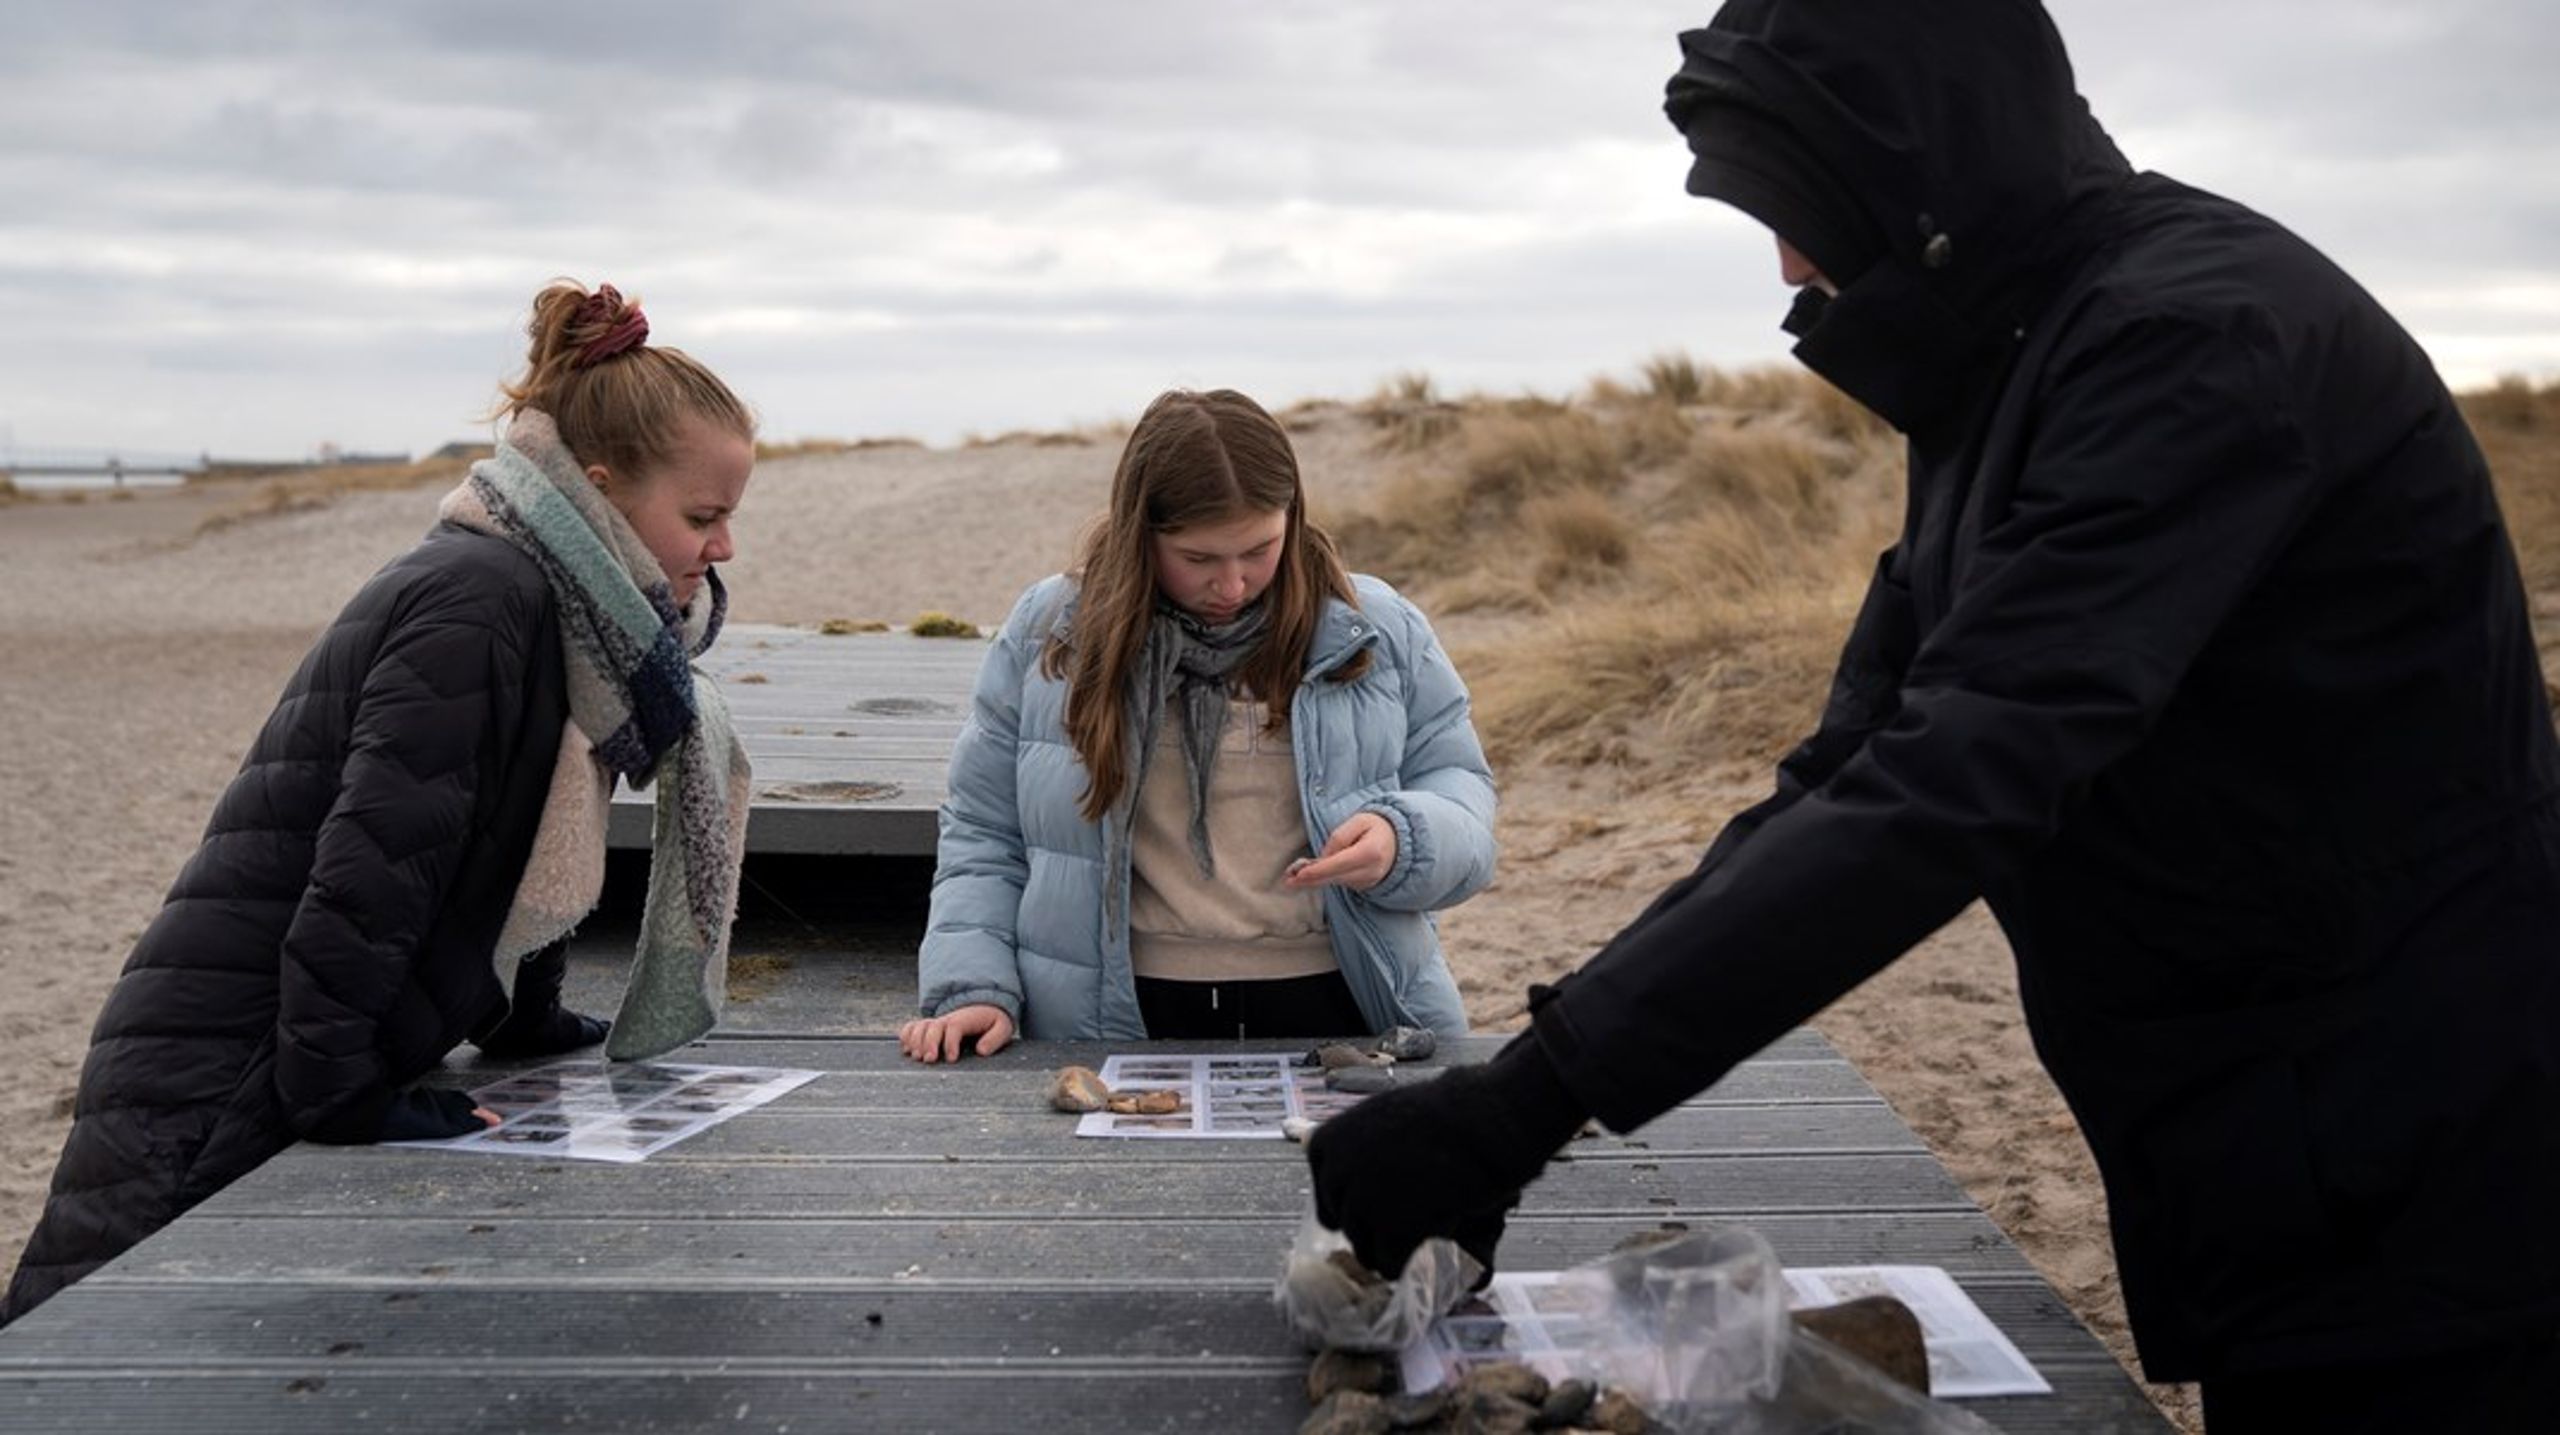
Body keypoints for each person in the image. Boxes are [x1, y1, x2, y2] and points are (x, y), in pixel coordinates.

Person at [1307, 1, 2560, 1426]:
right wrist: (1523, 1086)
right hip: (2287, 1114)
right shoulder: (2025, 355)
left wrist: (1525, 1106)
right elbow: (1853, 763)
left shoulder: (2188, 342)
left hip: (2423, 1127)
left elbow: (1957, 778)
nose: (1789, 264)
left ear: (1913, 172)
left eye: (1796, 211)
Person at [1, 280, 757, 1324]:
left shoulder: (567, 605)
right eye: (703, 517)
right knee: (82, 1331)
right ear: (599, 491)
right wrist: (346, 1096)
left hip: (280, 1032)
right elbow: (374, 866)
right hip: (227, 1055)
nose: (723, 548)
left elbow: (529, 830)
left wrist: (524, 1016)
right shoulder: (480, 602)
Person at [900, 388, 1493, 1062]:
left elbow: (1461, 790)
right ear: (1141, 534)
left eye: (1260, 549)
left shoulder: (1378, 625)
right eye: (1199, 559)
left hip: (1349, 1000)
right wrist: (974, 987)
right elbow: (984, 830)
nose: (1233, 585)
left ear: (1292, 517)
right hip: (1115, 1013)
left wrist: (1403, 837)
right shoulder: (1050, 630)